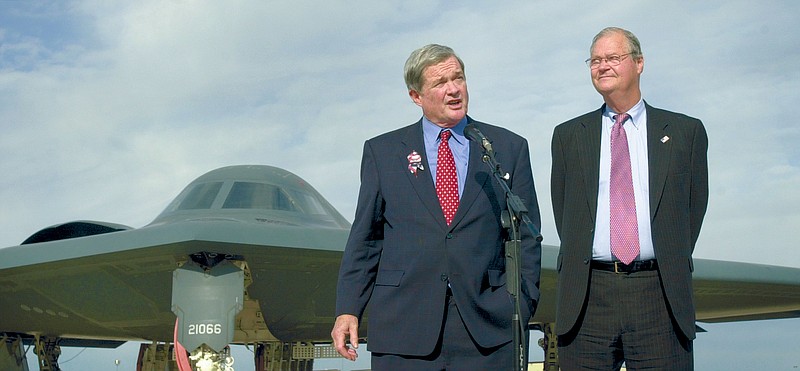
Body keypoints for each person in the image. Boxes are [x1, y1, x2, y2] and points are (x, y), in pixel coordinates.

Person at [332, 43, 542, 370]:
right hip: (404, 327)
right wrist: (348, 308)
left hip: (488, 327)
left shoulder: (506, 147)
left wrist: (521, 303)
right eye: (440, 83)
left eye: (458, 78)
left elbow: (527, 236)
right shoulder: (383, 152)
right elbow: (366, 239)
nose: (454, 89)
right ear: (416, 96)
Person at [551, 27, 709, 370]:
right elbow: (564, 212)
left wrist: (663, 256)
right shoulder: (568, 137)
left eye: (613, 58)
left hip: (659, 296)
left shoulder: (685, 133)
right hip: (588, 297)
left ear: (639, 63)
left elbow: (693, 210)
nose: (602, 66)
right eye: (595, 60)